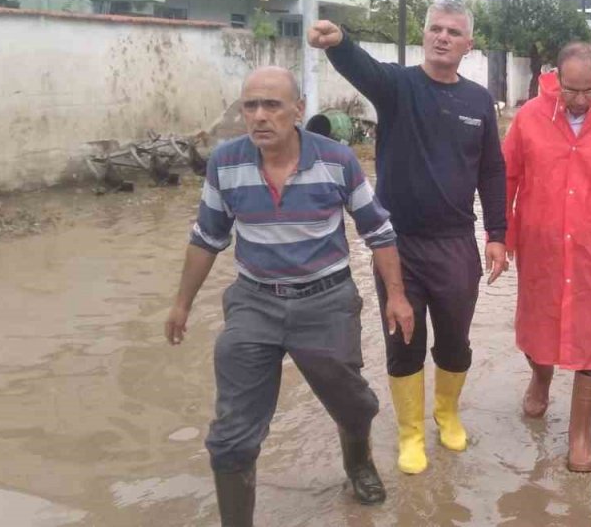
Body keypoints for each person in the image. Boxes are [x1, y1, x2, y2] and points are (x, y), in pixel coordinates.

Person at [164, 67, 416, 523]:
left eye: (272, 105)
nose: (259, 116)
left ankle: (358, 462)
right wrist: (181, 303)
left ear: (298, 110)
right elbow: (207, 237)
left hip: (326, 301)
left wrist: (396, 297)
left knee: (353, 404)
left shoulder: (336, 160)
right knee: (231, 436)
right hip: (253, 302)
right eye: (250, 106)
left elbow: (378, 231)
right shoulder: (226, 163)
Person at [307, 1, 508, 476]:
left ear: (468, 44)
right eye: (435, 29)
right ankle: (410, 434)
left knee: (455, 341)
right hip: (396, 245)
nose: (442, 37)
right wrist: (339, 41)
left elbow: (492, 170)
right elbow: (364, 69)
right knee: (403, 341)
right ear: (424, 36)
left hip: (457, 241)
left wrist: (497, 233)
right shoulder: (397, 86)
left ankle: (447, 413)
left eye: (453, 32)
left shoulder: (479, 101)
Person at [502, 42, 591, 473]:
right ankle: (541, 377)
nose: (580, 100)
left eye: (589, 90)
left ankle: (580, 434)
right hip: (540, 247)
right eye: (571, 90)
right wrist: (503, 238)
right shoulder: (528, 118)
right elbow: (505, 179)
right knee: (537, 326)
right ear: (555, 79)